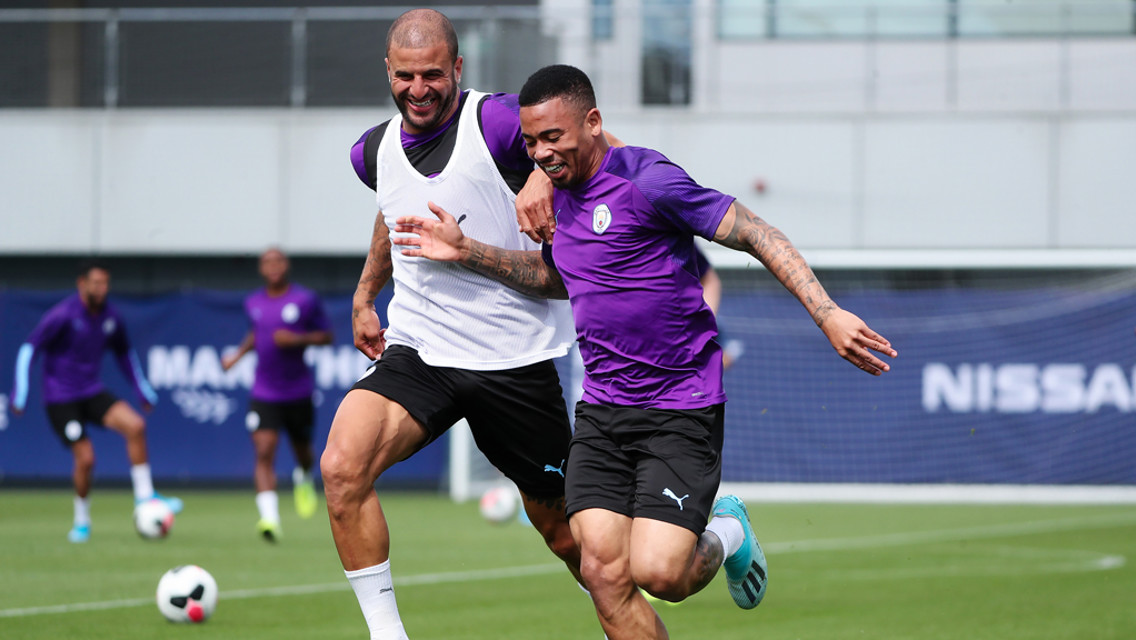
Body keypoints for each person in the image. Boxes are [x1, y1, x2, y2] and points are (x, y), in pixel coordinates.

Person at [392, 64, 897, 639]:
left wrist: (826, 312)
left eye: (553, 137)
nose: (540, 154)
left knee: (661, 574)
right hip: (603, 412)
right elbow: (556, 278)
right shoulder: (555, 201)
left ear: (593, 122)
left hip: (680, 407)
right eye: (530, 142)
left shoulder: (648, 181)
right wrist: (468, 251)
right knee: (601, 572)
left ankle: (728, 531)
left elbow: (756, 231)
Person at [320, 10, 607, 639]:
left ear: (456, 67)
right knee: (342, 467)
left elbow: (580, 140)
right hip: (420, 351)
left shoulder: (495, 121)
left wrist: (540, 175)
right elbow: (392, 211)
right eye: (405, 76)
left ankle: (713, 539)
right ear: (388, 72)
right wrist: (366, 294)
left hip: (512, 360)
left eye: (431, 74)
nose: (418, 89)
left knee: (574, 543)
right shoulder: (369, 151)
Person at [9, 260, 182, 543]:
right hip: (61, 399)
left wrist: (142, 390)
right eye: (96, 283)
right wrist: (21, 391)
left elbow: (124, 354)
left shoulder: (110, 316)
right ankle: (82, 522)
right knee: (86, 459)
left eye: (106, 283)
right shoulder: (63, 315)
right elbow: (30, 348)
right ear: (82, 284)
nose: (102, 288)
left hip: (91, 392)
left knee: (135, 425)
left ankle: (144, 497)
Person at [221, 248, 333, 542]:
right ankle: (269, 518)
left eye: (278, 261)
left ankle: (303, 476)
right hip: (264, 392)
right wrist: (237, 356)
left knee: (303, 453)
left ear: (287, 265)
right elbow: (256, 333)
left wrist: (297, 339)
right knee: (264, 450)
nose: (273, 266)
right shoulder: (253, 302)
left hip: (298, 391)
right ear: (261, 268)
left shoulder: (305, 299)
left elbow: (327, 336)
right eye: (267, 262)